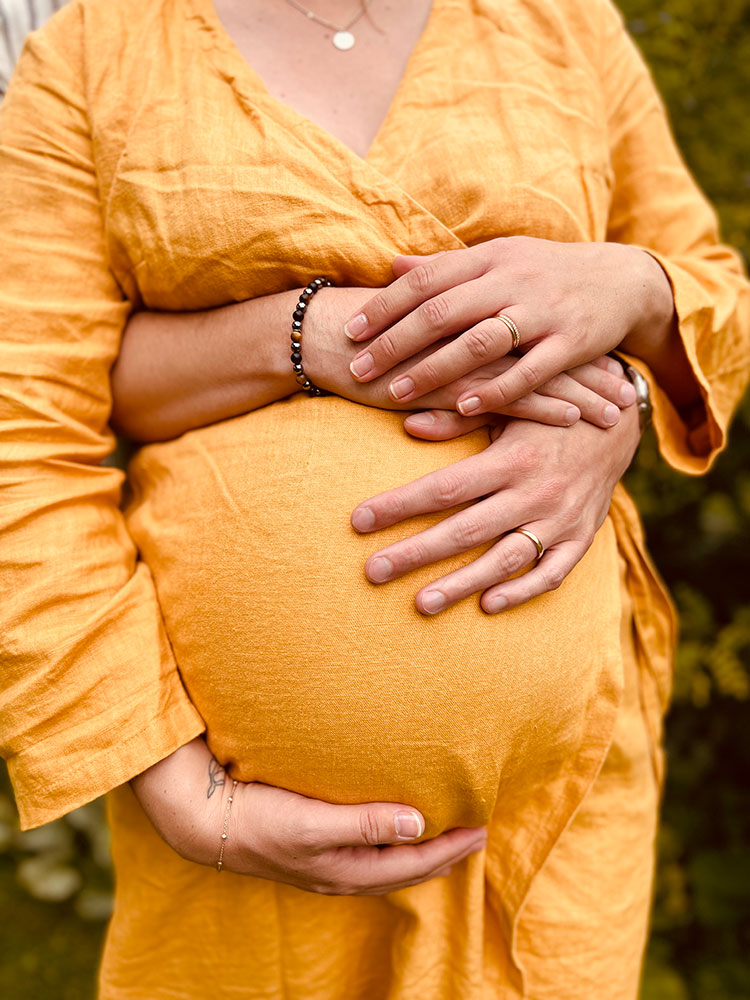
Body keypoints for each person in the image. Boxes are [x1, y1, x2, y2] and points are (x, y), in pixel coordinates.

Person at [0, 1, 747, 998]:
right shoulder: (93, 54)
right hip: (240, 849)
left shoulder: (563, 24)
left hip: (553, 826)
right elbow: (27, 429)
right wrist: (179, 792)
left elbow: (708, 293)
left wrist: (636, 290)